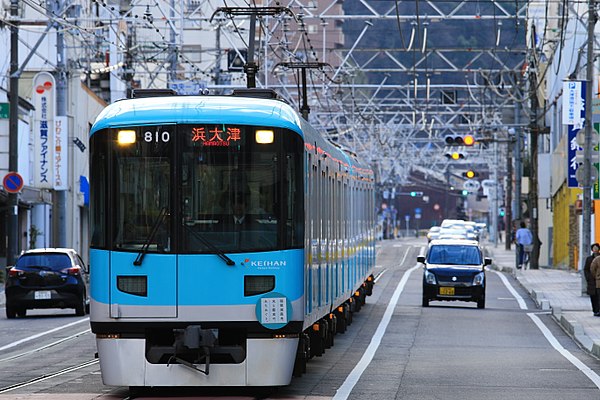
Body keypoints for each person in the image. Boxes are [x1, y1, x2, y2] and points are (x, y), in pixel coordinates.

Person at [584, 243, 600, 316]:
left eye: (596, 248)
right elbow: (587, 269)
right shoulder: (589, 259)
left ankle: (598, 310)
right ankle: (595, 310)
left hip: (598, 281)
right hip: (592, 281)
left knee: (598, 296)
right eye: (594, 248)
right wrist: (589, 277)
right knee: (593, 296)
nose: (595, 249)